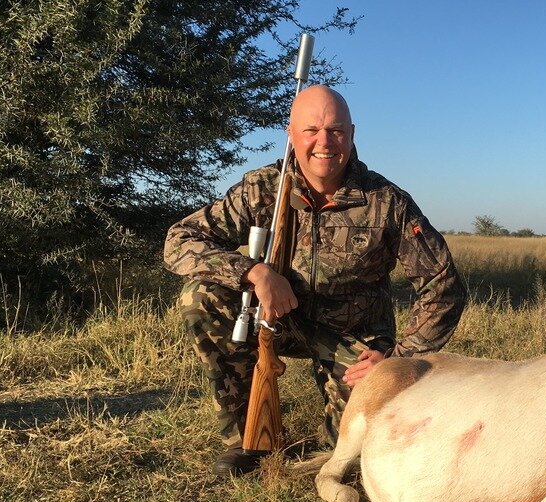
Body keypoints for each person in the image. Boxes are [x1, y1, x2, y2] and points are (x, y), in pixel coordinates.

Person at [164, 85, 467, 477]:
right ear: (291, 134)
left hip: (353, 339)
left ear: (352, 134)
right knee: (201, 297)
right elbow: (179, 241)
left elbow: (444, 286)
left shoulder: (388, 202)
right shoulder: (261, 189)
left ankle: (344, 426)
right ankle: (247, 440)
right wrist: (254, 273)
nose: (324, 142)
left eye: (336, 130)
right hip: (276, 322)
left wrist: (397, 358)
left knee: (351, 455)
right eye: (311, 130)